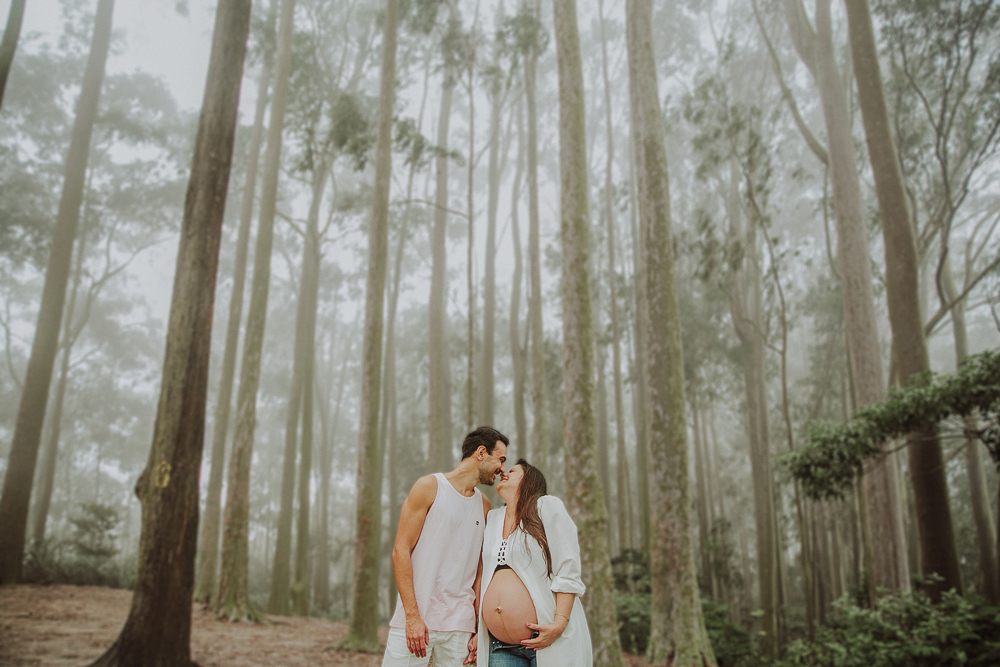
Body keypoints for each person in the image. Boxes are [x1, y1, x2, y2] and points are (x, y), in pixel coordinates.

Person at [382, 426, 509, 667]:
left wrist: (477, 628)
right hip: (417, 621)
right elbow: (401, 551)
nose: (503, 468)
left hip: (459, 626)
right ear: (481, 453)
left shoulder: (483, 505)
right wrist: (412, 617)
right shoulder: (429, 487)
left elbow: (479, 571)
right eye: (501, 459)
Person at [476, 459, 592, 667]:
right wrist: (478, 630)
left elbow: (568, 568)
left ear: (529, 480)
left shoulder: (546, 506)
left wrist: (559, 625)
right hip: (500, 646)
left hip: (547, 639)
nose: (504, 472)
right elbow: (481, 576)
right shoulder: (492, 518)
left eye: (513, 470)